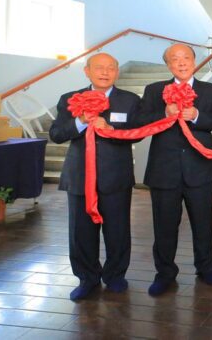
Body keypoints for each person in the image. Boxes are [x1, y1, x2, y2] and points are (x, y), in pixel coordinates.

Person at [49, 53, 140, 301]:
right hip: (80, 176)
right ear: (87, 71)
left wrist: (111, 129)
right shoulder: (70, 99)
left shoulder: (130, 100)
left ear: (117, 72)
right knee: (81, 232)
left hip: (116, 176)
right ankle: (87, 278)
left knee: (118, 230)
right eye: (99, 67)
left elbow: (138, 132)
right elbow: (56, 134)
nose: (105, 72)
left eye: (111, 68)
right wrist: (80, 121)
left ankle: (115, 276)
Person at [137, 44, 212, 296]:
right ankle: (164, 273)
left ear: (194, 61)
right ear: (168, 65)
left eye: (186, 57)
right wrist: (164, 113)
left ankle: (206, 267)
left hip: (199, 168)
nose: (182, 62)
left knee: (203, 223)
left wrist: (196, 115)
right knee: (164, 226)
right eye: (175, 59)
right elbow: (141, 121)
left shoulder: (211, 90)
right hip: (164, 170)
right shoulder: (154, 90)